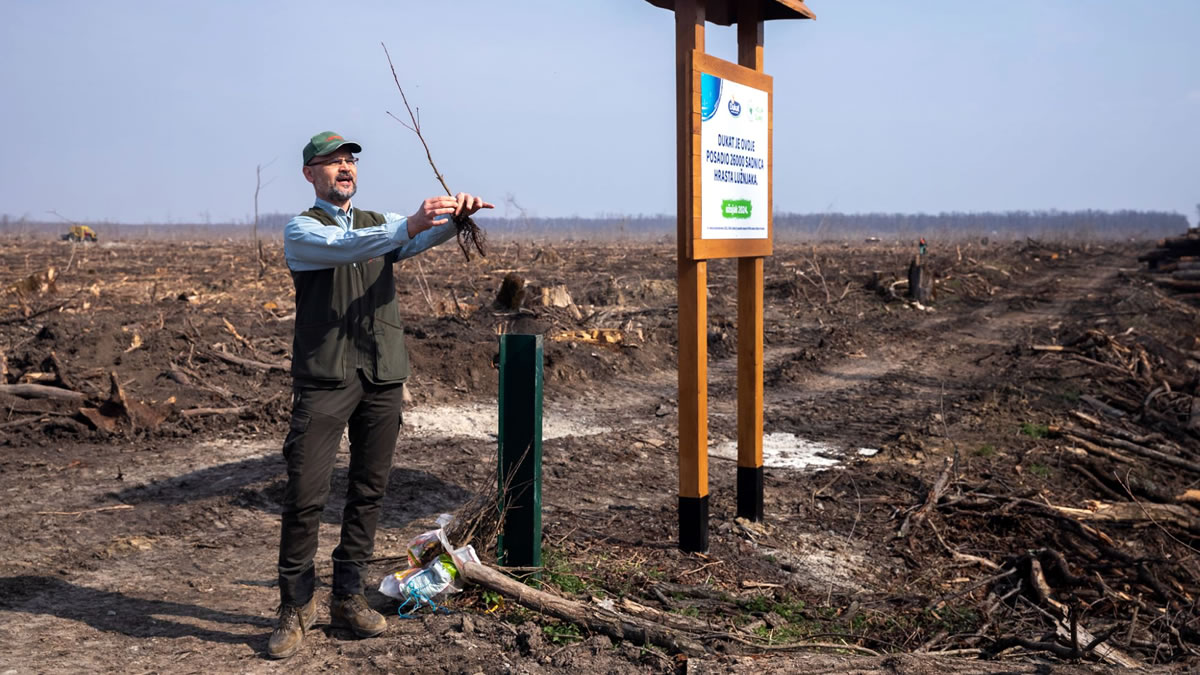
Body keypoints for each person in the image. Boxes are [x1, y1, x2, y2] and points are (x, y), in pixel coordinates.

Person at [267, 130, 493, 659]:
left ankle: (348, 599)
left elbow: (407, 242)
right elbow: (350, 247)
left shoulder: (377, 224)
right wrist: (408, 224)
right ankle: (295, 608)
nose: (344, 168)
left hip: (382, 374)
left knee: (369, 492)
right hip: (326, 378)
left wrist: (453, 219)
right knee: (305, 496)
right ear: (310, 174)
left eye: (349, 160)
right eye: (331, 162)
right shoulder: (303, 230)